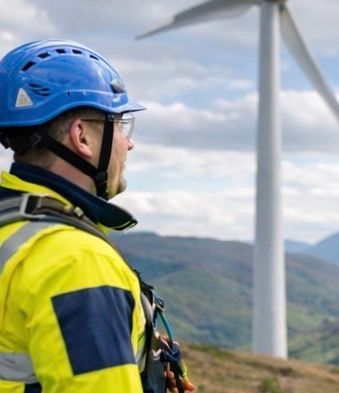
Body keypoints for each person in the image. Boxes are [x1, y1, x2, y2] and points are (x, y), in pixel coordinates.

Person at [0, 40, 194, 392]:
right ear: (81, 137)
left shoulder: (10, 226)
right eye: (119, 124)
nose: (128, 143)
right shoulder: (76, 262)